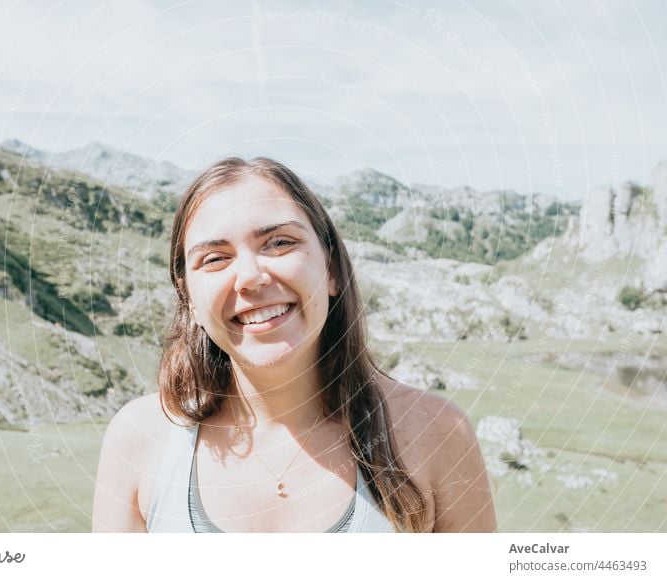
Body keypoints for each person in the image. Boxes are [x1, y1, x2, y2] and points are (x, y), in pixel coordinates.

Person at [92, 157, 496, 533]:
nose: (250, 277)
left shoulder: (436, 432)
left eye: (279, 243)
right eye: (214, 258)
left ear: (332, 268)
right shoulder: (140, 440)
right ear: (189, 300)